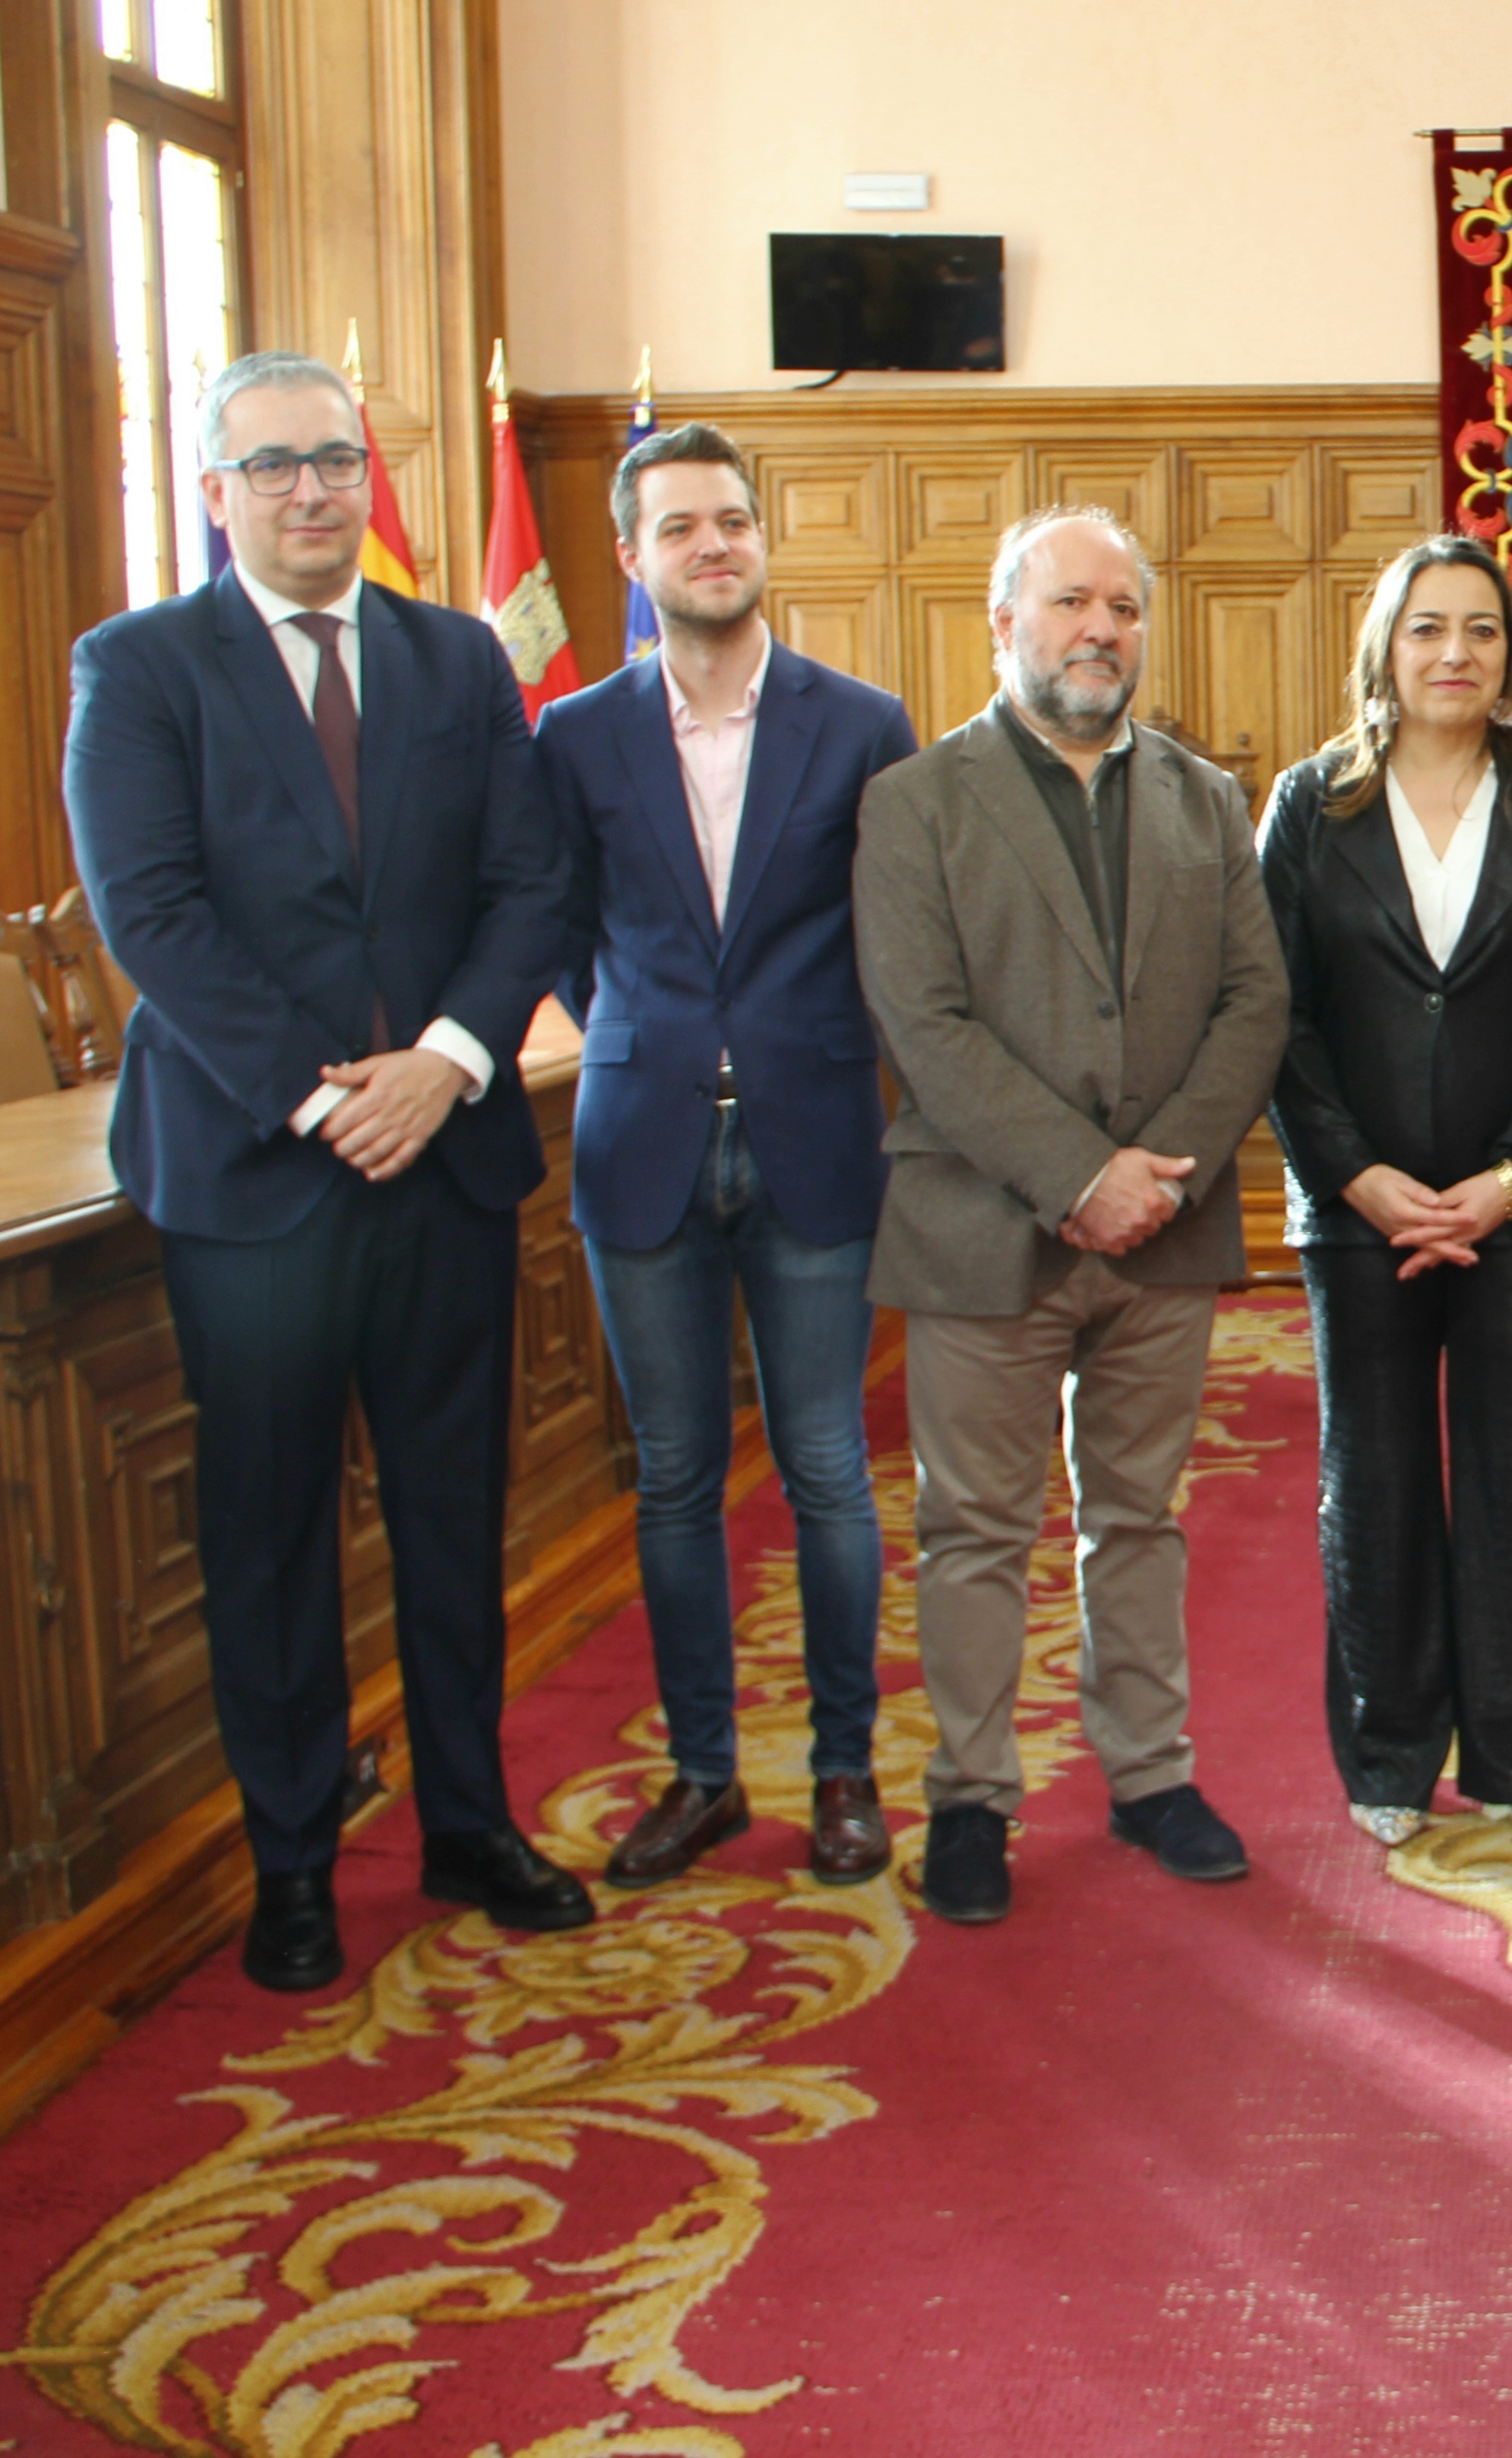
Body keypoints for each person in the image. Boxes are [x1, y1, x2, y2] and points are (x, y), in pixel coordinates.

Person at [64, 350, 590, 1991]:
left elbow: (532, 884)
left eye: (337, 461)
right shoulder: (139, 669)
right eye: (275, 466)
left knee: (454, 1513)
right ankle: (292, 1860)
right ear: (213, 494)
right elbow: (152, 918)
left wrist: (442, 1062)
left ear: (370, 478)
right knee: (271, 1528)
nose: (313, 490)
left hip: (443, 1158)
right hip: (254, 1177)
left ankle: (467, 1823)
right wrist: (317, 1097)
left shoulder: (455, 657)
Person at [852, 506, 1289, 1924]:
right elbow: (923, 1023)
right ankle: (973, 1799)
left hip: (1166, 1226)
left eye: (1122, 607)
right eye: (1068, 605)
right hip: (984, 1229)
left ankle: (1150, 1776)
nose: (1100, 629)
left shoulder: (1203, 799)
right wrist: (1075, 1174)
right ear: (1003, 625)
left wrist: (1155, 1166)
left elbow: (1254, 1000)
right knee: (976, 1528)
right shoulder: (915, 802)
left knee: (1140, 1517)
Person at [536, 421, 919, 1891]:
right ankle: (703, 1776)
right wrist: (648, 1037)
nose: (714, 544)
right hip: (641, 1149)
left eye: (735, 521)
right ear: (633, 557)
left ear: (763, 542)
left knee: (827, 1464)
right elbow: (563, 932)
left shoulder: (861, 720)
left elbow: (890, 932)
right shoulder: (574, 735)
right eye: (682, 526)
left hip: (817, 1138)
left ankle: (841, 1773)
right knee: (678, 1478)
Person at [1257, 538, 1512, 1850]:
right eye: (1427, 629)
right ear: (1384, 648)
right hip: (1357, 1213)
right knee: (1379, 1471)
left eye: (1479, 629)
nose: (1454, 652)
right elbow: (1276, 1016)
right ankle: (1391, 1752)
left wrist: (1511, 1179)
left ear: (1511, 655)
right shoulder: (1310, 806)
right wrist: (1358, 1178)